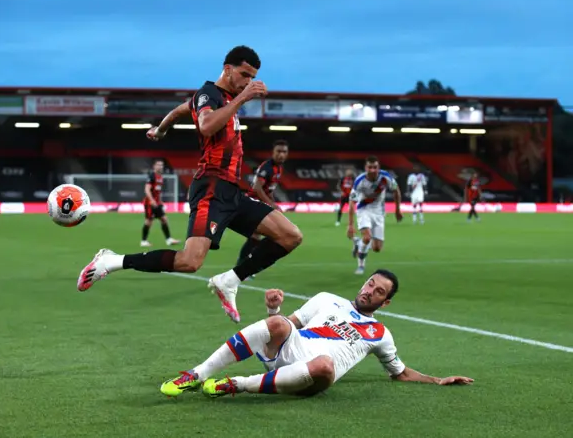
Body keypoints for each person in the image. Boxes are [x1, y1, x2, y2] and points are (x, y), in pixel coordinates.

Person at [76, 45, 303, 324]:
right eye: (244, 75)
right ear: (227, 69)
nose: (247, 81)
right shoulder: (210, 94)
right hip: (211, 187)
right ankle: (110, 261)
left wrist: (161, 128)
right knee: (190, 261)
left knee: (290, 235)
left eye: (252, 77)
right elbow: (206, 125)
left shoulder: (218, 98)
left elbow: (182, 109)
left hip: (232, 189)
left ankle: (229, 280)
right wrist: (243, 97)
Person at [160, 269, 473, 398]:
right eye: (369, 284)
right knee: (281, 323)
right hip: (285, 355)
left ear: (385, 301)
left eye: (378, 292)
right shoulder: (327, 299)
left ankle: (236, 385)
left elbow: (400, 373)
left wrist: (437, 379)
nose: (369, 292)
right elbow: (282, 329)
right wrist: (273, 311)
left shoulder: (381, 333)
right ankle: (196, 374)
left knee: (325, 364)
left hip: (313, 376)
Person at [235, 140, 289, 270]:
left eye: (284, 152)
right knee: (264, 235)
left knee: (258, 237)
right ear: (273, 152)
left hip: (260, 204)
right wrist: (271, 204)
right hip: (252, 203)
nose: (281, 155)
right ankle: (244, 265)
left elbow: (268, 189)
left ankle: (247, 264)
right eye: (278, 151)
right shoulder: (267, 167)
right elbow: (257, 188)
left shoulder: (278, 168)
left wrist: (273, 204)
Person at [347, 156, 402, 275]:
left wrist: (397, 210)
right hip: (364, 210)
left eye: (375, 167)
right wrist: (350, 225)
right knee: (367, 238)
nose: (372, 170)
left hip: (379, 212)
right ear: (365, 168)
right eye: (370, 167)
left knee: (377, 248)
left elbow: (396, 191)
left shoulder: (385, 177)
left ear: (379, 168)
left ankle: (358, 243)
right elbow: (352, 202)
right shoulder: (359, 181)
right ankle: (361, 265)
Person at [140, 160, 180, 247]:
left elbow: (158, 191)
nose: (160, 166)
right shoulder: (152, 176)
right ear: (154, 166)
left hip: (157, 203)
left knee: (164, 219)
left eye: (161, 165)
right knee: (148, 221)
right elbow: (147, 189)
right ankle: (143, 241)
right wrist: (152, 200)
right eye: (158, 165)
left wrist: (160, 200)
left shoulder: (160, 177)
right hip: (150, 203)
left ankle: (169, 239)